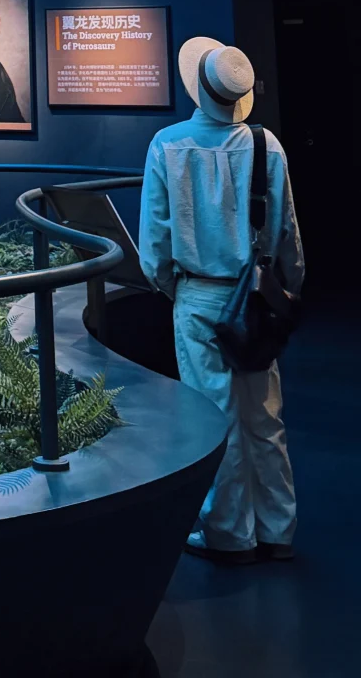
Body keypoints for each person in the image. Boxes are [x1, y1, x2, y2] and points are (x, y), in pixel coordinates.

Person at [138, 35, 304, 565]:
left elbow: (154, 244)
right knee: (266, 416)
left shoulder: (167, 144)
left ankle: (229, 534)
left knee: (215, 417)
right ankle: (277, 530)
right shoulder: (266, 145)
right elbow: (288, 234)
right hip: (255, 297)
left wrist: (177, 289)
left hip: (198, 295)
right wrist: (288, 290)